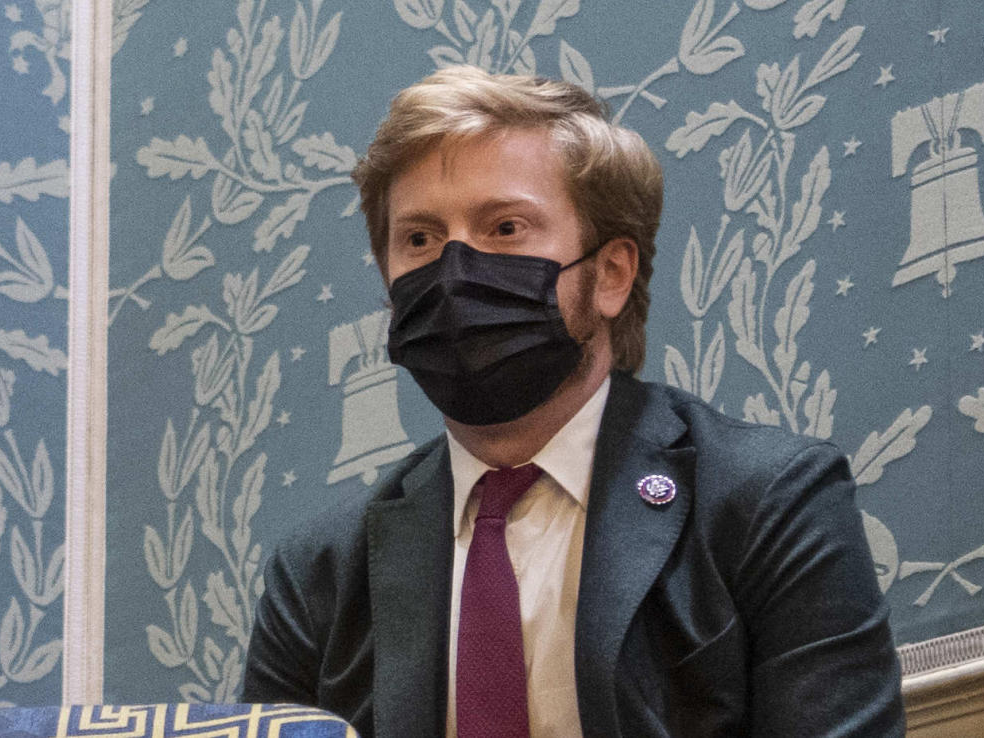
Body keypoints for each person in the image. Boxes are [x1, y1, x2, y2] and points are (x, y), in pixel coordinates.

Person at [242, 65, 905, 737]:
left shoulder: (768, 502)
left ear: (611, 275)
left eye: (505, 228)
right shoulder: (319, 575)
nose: (454, 273)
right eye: (419, 239)